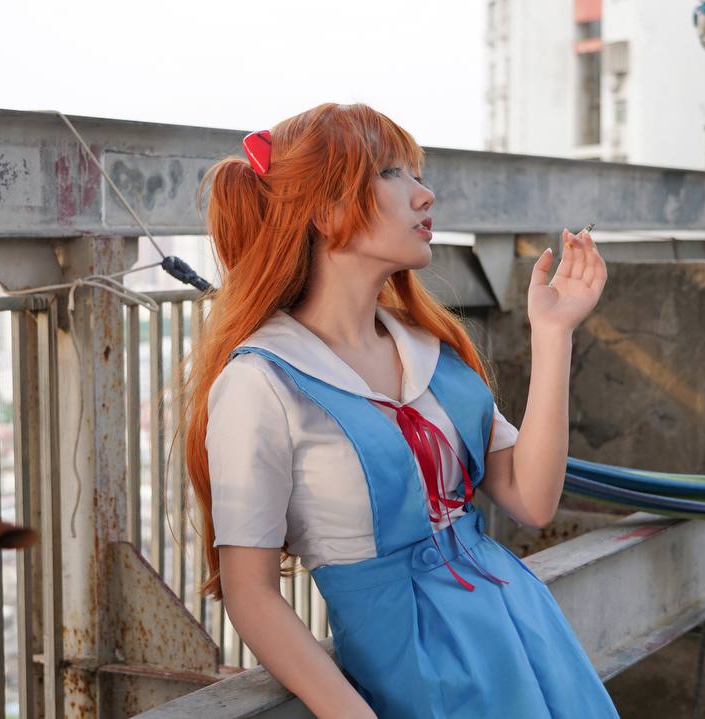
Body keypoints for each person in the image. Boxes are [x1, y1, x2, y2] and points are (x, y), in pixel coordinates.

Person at [182, 102, 619, 719]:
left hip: (524, 632)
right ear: (325, 210)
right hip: (414, 670)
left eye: (416, 173)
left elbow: (532, 499)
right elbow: (249, 593)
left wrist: (554, 334)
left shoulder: (430, 350)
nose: (424, 194)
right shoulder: (262, 380)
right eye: (391, 173)